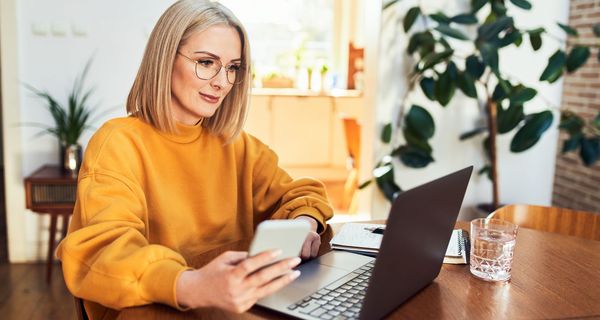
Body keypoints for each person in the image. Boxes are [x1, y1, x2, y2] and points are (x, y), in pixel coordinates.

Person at [56, 1, 333, 319]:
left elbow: (303, 194)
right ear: (165, 59)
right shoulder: (118, 142)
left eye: (232, 68)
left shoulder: (236, 145)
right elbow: (105, 253)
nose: (222, 82)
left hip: (230, 308)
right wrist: (192, 284)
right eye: (206, 62)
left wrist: (302, 224)